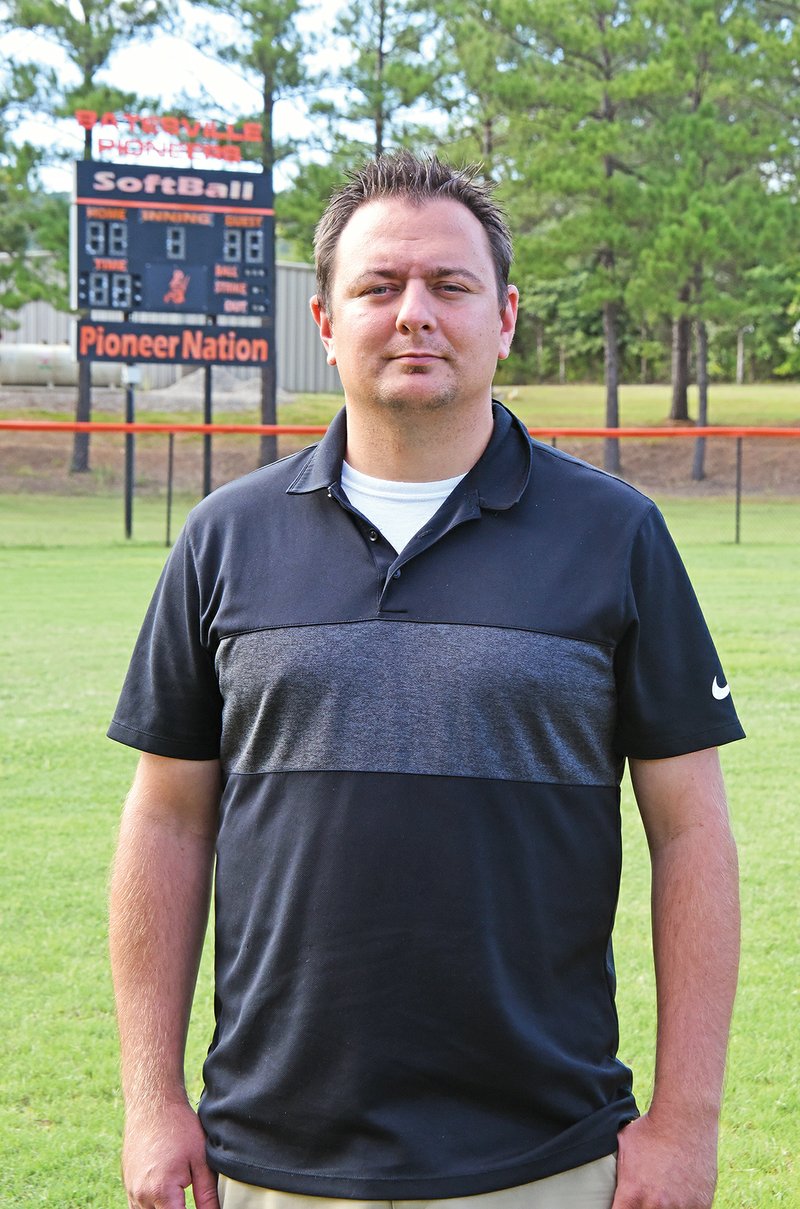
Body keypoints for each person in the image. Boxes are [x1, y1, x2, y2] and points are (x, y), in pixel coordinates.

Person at [108, 151, 743, 1209]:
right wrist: (148, 1101)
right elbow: (167, 823)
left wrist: (684, 1120)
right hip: (265, 1159)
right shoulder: (224, 538)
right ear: (324, 321)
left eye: (450, 286)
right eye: (377, 287)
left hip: (546, 1158)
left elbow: (690, 833)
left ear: (502, 321)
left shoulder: (614, 534)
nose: (414, 314)